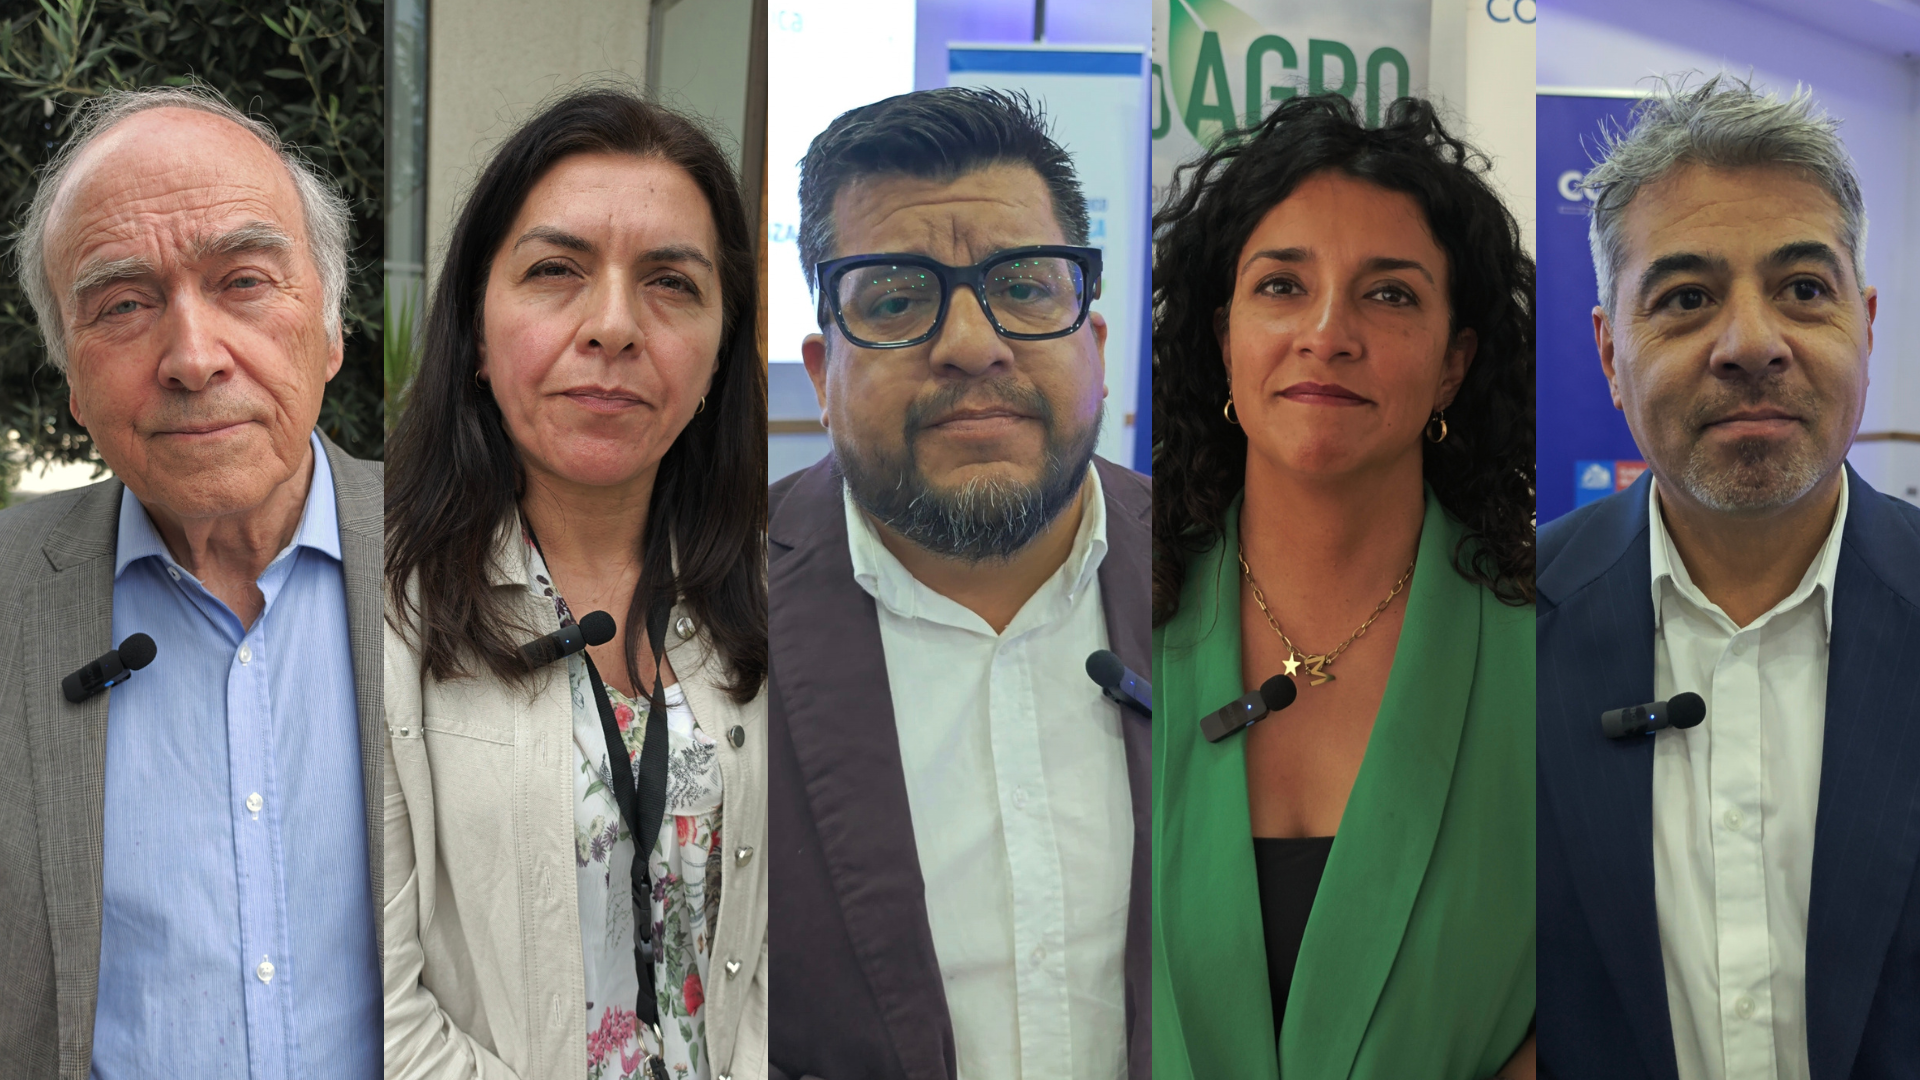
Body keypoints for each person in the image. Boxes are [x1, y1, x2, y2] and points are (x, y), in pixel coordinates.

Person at [1537, 75, 1920, 1080]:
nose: (1752, 344)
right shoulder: (1493, 628)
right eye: (1687, 299)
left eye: (1803, 290)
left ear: (1866, 326)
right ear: (1609, 353)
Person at [383, 88, 767, 1080]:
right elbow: (376, 1007)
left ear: (721, 349)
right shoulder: (377, 610)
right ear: (476, 331)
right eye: (556, 271)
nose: (614, 326)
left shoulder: (786, 592)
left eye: (671, 283)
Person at [768, 87, 1150, 1080]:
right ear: (822, 373)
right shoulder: (702, 602)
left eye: (1024, 288)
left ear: (1096, 346)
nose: (974, 344)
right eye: (897, 301)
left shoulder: (1229, 572)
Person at [1152, 93, 1537, 1079]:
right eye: (1282, 286)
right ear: (1225, 340)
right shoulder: (1114, 619)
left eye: (1390, 295)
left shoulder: (1554, 646)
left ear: (1454, 364)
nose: (1327, 334)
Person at [0, 86, 381, 1076]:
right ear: (72, 380)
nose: (194, 358)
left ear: (330, 331)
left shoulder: (474, 562)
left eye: (244, 281)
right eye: (123, 305)